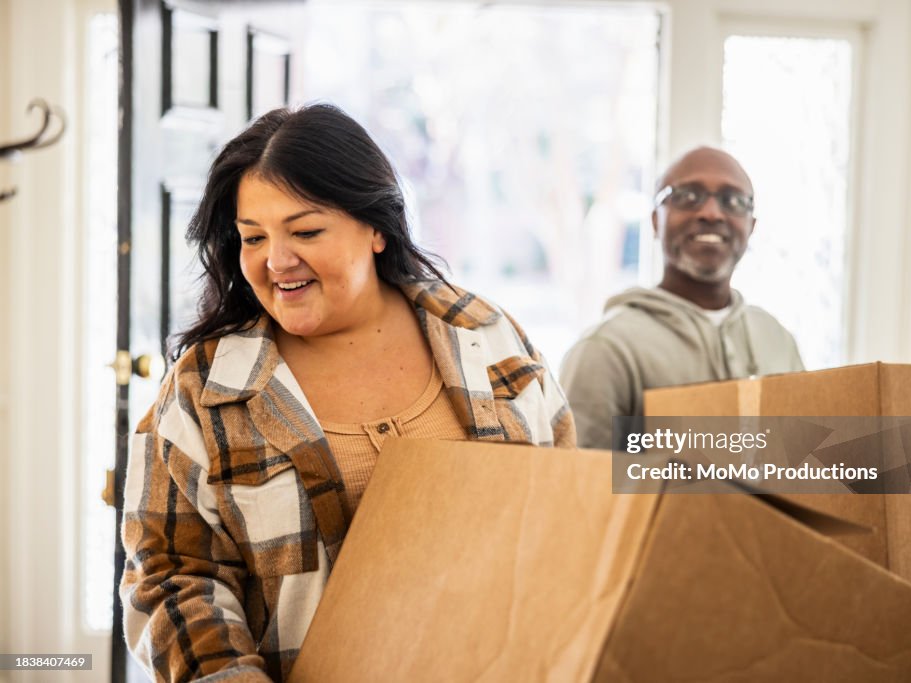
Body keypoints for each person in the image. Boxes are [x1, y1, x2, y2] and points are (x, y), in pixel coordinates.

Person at [119, 103, 575, 682]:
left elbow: (563, 505)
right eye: (252, 237)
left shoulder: (485, 334)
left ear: (377, 227)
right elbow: (170, 575)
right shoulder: (203, 391)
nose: (276, 261)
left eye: (306, 231)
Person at [560, 147, 803, 449]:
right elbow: (578, 489)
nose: (711, 213)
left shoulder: (776, 339)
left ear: (752, 226)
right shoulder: (606, 349)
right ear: (655, 221)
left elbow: (801, 463)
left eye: (733, 200)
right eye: (687, 196)